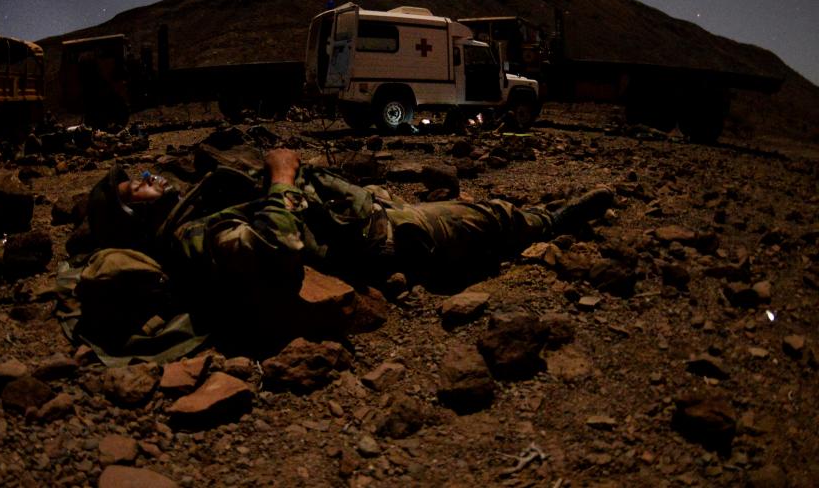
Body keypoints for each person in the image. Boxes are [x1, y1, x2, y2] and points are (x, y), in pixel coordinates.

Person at [80, 147, 613, 350]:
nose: (149, 176)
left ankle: (531, 219)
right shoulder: (190, 238)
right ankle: (551, 220)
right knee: (484, 218)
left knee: (464, 212)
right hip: (380, 239)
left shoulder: (193, 211)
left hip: (358, 214)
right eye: (138, 183)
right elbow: (273, 245)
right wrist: (284, 177)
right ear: (138, 213)